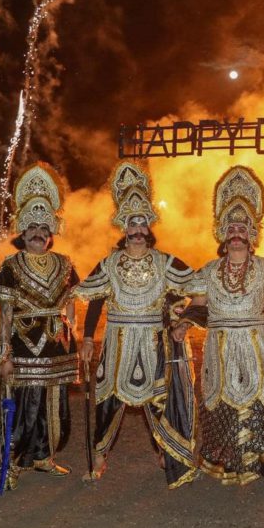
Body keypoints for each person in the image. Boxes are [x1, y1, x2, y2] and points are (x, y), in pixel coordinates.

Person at [174, 166, 264, 486]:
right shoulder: (209, 270)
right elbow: (198, 305)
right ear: (222, 233)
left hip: (256, 344)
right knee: (219, 401)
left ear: (251, 233)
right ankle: (221, 461)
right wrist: (184, 324)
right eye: (231, 227)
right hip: (220, 346)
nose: (236, 233)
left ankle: (263, 465)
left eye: (242, 227)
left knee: (260, 403)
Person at [75, 162, 198, 488]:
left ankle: (165, 451)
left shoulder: (165, 262)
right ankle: (99, 456)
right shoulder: (110, 263)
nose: (138, 229)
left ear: (150, 226)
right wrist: (87, 338)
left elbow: (194, 287)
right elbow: (95, 300)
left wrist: (180, 318)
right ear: (124, 227)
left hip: (154, 343)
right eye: (132, 223)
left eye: (143, 222)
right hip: (117, 343)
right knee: (107, 401)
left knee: (158, 401)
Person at [0, 163, 80, 490]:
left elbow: (72, 298)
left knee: (53, 404)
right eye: (32, 228)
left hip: (57, 347)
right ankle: (10, 464)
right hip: (23, 346)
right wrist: (4, 355)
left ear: (51, 232)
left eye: (43, 227)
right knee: (22, 406)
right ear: (22, 233)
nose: (38, 233)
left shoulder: (65, 263)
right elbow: (5, 312)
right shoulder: (11, 266)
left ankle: (43, 456)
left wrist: (73, 332)